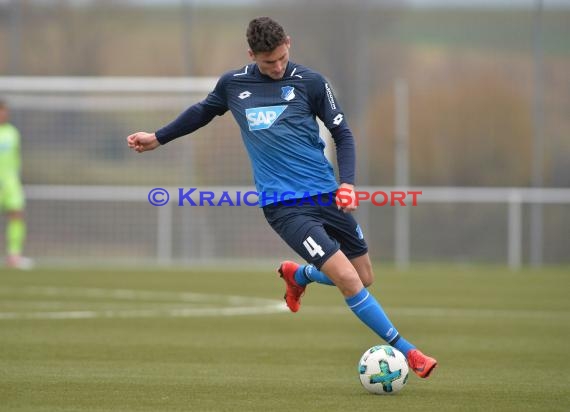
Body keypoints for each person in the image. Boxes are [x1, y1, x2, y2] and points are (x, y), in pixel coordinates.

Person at [127, 17, 437, 378]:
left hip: (325, 195)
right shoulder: (234, 85)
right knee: (348, 281)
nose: (276, 67)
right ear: (251, 55)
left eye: (281, 58)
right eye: (267, 62)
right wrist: (158, 137)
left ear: (288, 43)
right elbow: (202, 112)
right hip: (285, 207)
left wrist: (347, 183)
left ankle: (300, 276)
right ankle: (409, 352)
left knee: (364, 275)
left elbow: (344, 135)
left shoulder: (311, 83)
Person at [0, 99, 32, 270]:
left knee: (16, 214)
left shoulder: (12, 132)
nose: (3, 114)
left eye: (5, 111)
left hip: (10, 182)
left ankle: (14, 256)